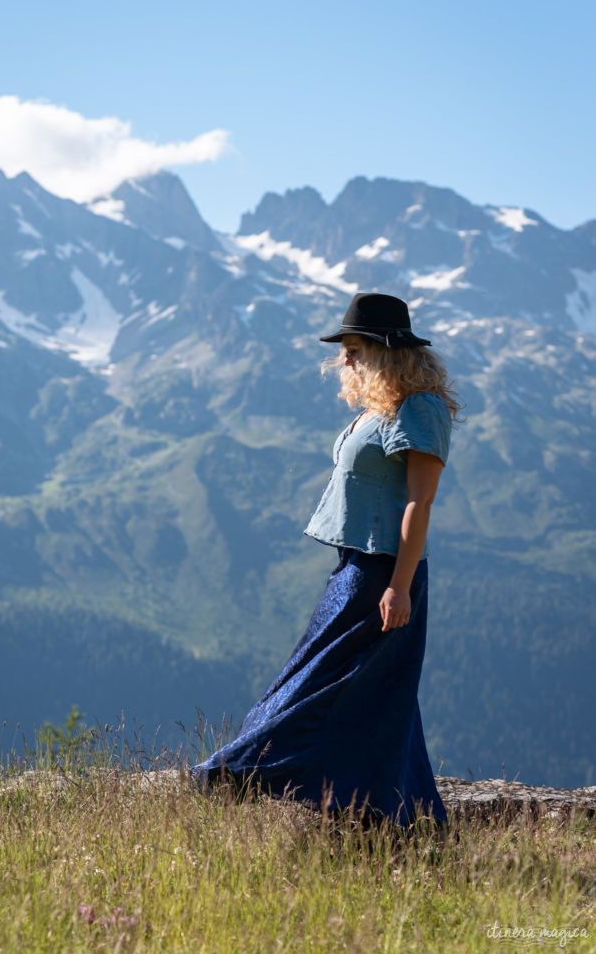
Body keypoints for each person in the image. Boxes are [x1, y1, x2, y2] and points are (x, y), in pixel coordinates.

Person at [190, 293, 463, 828]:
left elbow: (419, 502)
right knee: (369, 691)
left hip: (384, 572)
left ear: (387, 351)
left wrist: (400, 586)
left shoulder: (420, 409)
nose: (347, 361)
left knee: (326, 681)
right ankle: (392, 816)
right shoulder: (380, 409)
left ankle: (241, 771)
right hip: (358, 566)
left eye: (356, 349)